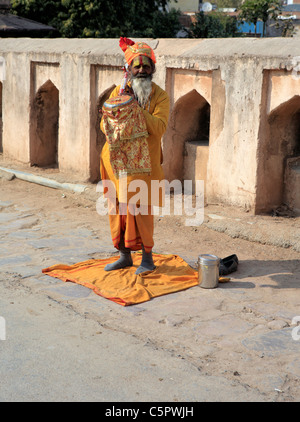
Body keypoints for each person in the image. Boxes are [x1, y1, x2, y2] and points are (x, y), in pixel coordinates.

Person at [100, 37, 170, 275]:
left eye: (146, 66)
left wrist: (134, 109)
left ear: (153, 69)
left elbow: (159, 128)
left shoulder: (160, 96)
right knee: (118, 211)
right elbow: (104, 124)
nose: (141, 70)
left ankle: (147, 259)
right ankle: (124, 256)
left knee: (142, 213)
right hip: (116, 165)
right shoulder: (117, 92)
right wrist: (121, 103)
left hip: (145, 166)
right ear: (128, 69)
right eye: (137, 66)